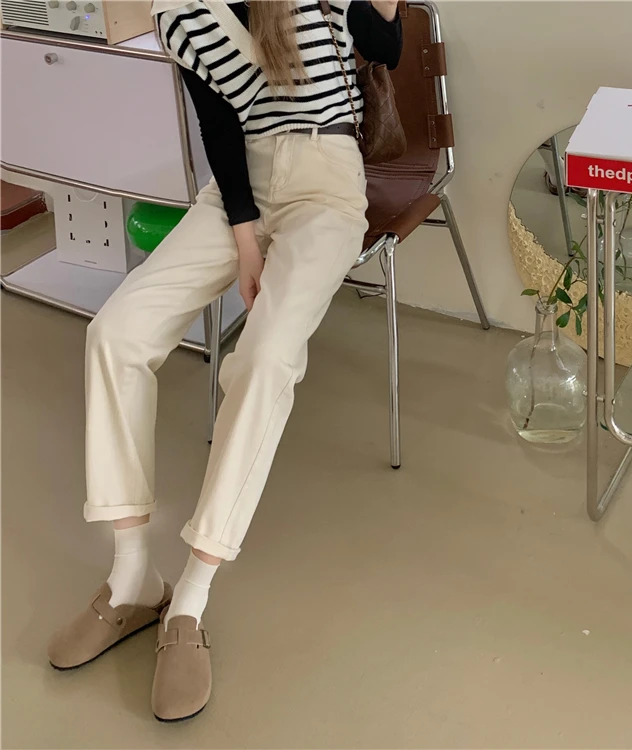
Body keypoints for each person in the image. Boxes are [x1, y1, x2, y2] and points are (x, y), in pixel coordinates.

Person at [47, 0, 402, 722]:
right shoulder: (180, 11)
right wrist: (246, 238)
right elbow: (218, 123)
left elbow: (383, 43)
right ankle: (132, 578)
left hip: (328, 184)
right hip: (239, 192)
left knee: (266, 356)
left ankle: (192, 597)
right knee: (115, 333)